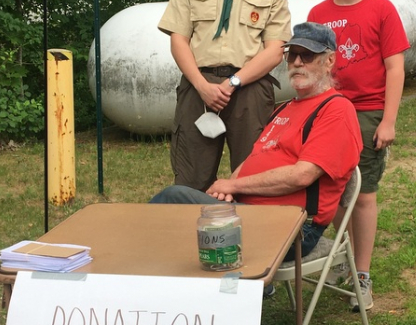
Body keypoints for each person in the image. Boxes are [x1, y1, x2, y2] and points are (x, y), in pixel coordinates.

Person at [150, 22, 362, 259]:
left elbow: (303, 175)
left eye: (308, 56)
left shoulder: (336, 110)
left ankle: (130, 269)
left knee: (173, 199)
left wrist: (233, 186)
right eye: (292, 56)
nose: (298, 63)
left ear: (330, 61)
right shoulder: (285, 108)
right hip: (250, 214)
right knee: (173, 220)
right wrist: (230, 189)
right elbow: (254, 158)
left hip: (292, 226)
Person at [157, 0, 292, 192]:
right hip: (198, 86)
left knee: (252, 177)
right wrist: (202, 86)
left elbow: (274, 51)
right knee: (190, 178)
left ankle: (255, 237)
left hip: (249, 89)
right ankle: (191, 236)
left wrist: (232, 82)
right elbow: (178, 38)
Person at [307, 0, 409, 312]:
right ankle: (344, 258)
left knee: (363, 194)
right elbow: (311, 68)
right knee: (332, 191)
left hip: (368, 112)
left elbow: (395, 68)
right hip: (330, 110)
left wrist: (388, 121)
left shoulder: (382, 9)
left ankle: (362, 275)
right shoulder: (318, 15)